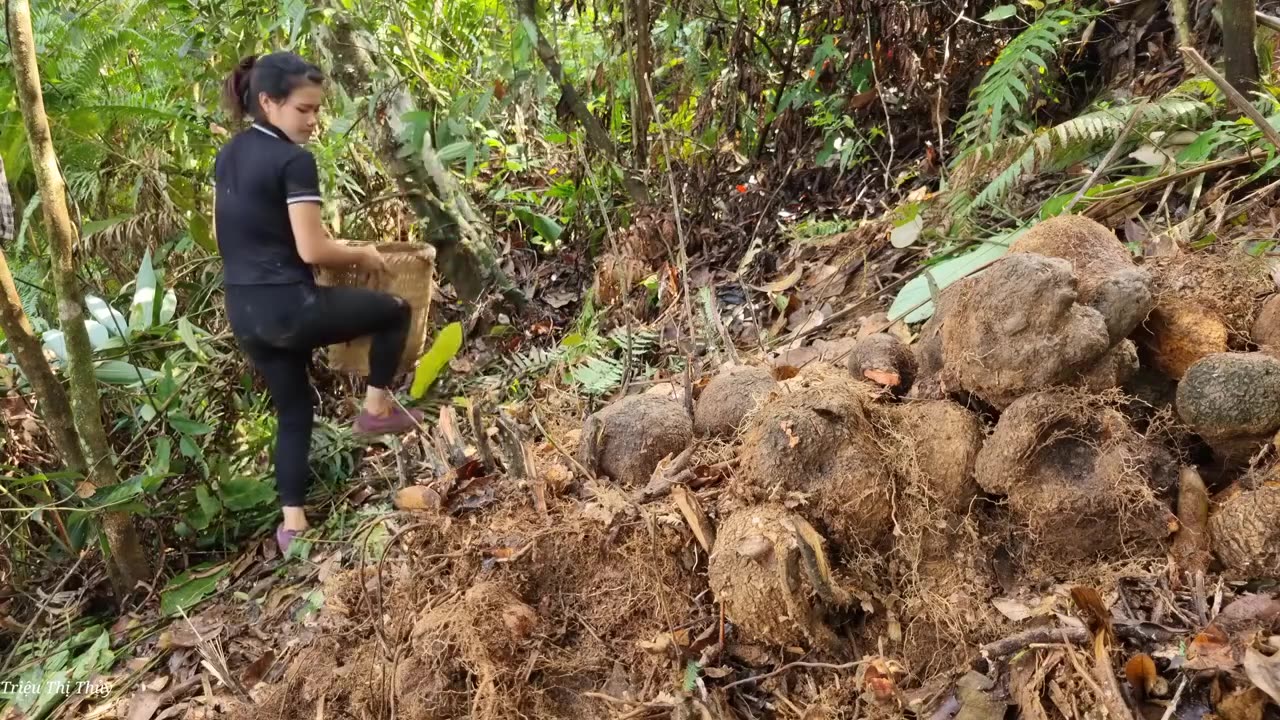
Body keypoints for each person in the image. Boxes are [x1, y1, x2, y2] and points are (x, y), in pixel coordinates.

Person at [214, 52, 423, 553]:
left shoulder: (230, 153)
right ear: (268, 102)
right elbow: (311, 248)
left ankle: (293, 527)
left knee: (294, 410)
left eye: (316, 110)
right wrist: (363, 252)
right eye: (304, 110)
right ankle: (375, 409)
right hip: (289, 306)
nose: (313, 121)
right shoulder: (293, 160)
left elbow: (239, 234)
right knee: (394, 310)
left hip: (244, 311)